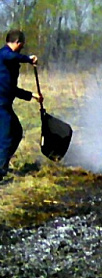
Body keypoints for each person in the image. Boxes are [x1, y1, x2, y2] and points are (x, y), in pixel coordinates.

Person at [0, 29, 42, 180]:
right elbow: (11, 56)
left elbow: (11, 89)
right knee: (6, 138)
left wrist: (32, 96)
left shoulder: (9, 64)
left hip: (5, 104)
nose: (22, 49)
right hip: (0, 105)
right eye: (22, 45)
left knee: (16, 132)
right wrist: (29, 59)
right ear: (17, 42)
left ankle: (2, 164)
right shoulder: (4, 54)